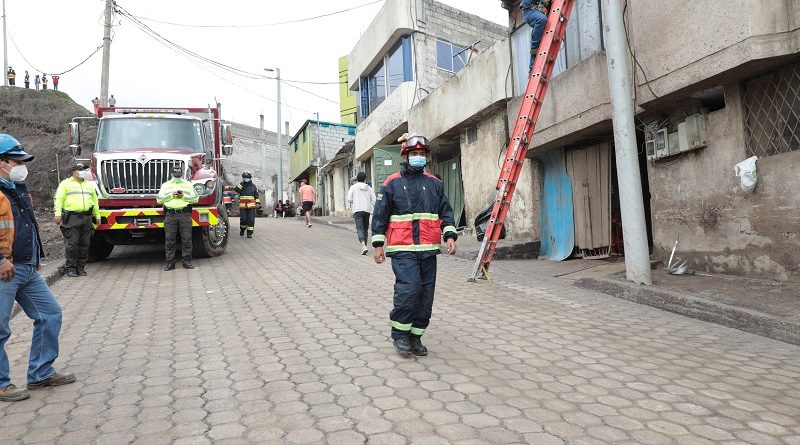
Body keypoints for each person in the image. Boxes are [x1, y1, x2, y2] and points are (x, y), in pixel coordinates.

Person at [0, 133, 75, 403]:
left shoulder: (16, 189)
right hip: (4, 269)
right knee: (0, 328)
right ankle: (2, 384)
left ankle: (41, 372)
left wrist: (37, 255)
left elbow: (26, 227)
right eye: (15, 161)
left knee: (50, 314)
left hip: (26, 267)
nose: (21, 166)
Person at [371, 134, 458, 357]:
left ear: (426, 157)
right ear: (405, 156)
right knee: (409, 290)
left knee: (425, 296)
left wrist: (450, 236)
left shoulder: (435, 184)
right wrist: (378, 244)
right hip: (403, 249)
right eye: (413, 154)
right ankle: (400, 335)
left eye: (421, 154)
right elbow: (380, 215)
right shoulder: (392, 183)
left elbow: (445, 213)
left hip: (428, 250)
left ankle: (415, 337)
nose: (418, 157)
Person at [53, 164, 99, 277]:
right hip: (72, 218)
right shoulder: (65, 184)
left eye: (84, 170)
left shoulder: (89, 185)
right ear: (74, 172)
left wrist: (97, 216)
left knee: (85, 244)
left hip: (86, 218)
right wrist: (57, 214)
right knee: (72, 244)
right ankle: (71, 268)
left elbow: (95, 201)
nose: (83, 172)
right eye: (80, 170)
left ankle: (81, 267)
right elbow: (59, 199)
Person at [156, 166, 198, 270]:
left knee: (187, 239)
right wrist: (171, 195)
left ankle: (187, 261)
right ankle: (170, 262)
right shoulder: (166, 185)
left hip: (184, 214)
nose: (177, 176)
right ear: (172, 174)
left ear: (182, 174)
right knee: (169, 239)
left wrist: (183, 197)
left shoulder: (188, 184)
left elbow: (196, 199)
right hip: (170, 215)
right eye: (175, 175)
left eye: (178, 175)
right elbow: (159, 200)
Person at [347, 172, 376, 255]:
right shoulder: (369, 188)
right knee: (365, 229)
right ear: (365, 179)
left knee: (359, 228)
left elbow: (349, 199)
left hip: (357, 209)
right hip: (367, 210)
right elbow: (374, 200)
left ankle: (363, 246)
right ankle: (365, 246)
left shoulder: (353, 187)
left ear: (357, 179)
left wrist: (355, 201)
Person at [521, 0, 550, 73]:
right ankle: (534, 45)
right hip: (529, 10)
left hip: (534, 11)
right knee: (541, 19)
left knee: (539, 41)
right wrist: (541, 7)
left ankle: (532, 67)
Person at [234, 172, 259, 238]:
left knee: (251, 220)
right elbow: (236, 189)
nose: (246, 179)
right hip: (243, 206)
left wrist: (257, 203)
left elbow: (256, 195)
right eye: (245, 178)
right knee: (244, 219)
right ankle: (242, 229)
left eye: (247, 178)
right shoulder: (241, 185)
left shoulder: (253, 186)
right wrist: (242, 183)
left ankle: (249, 233)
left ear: (250, 178)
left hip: (251, 206)